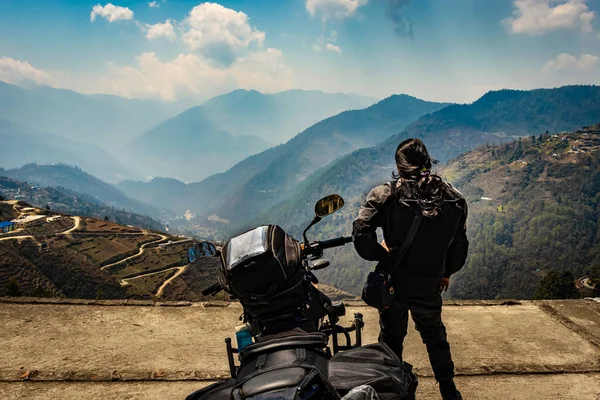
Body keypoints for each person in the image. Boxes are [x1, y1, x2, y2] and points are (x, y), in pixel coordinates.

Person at [352, 138, 468, 400]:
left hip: (394, 284)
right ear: (427, 161)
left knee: (391, 338)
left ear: (398, 165)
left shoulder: (386, 195)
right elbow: (459, 248)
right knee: (434, 335)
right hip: (429, 284)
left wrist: (381, 253)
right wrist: (446, 272)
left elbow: (360, 235)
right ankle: (448, 388)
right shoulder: (454, 199)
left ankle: (393, 391)